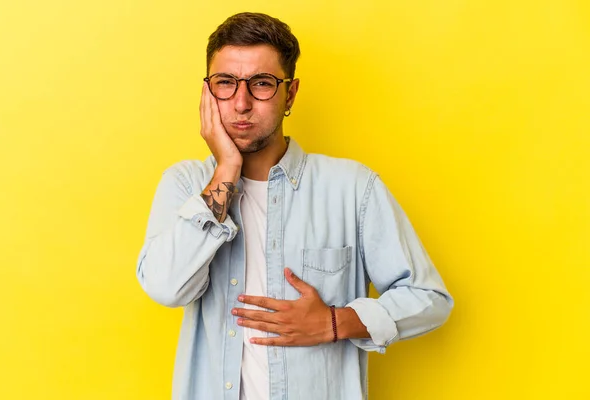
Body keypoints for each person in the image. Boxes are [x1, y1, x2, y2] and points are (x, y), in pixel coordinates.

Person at [136, 12, 454, 400]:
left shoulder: (352, 188)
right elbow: (167, 288)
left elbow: (429, 298)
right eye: (225, 84)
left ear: (291, 92)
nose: (241, 103)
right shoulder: (185, 185)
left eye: (262, 84)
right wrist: (227, 169)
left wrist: (336, 322)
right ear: (207, 92)